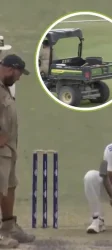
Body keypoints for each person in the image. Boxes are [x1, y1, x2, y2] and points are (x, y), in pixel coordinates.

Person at [0, 54, 33, 248]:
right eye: (19, 73)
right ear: (11, 69)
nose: (19, 78)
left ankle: (8, 226)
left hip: (8, 150)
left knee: (9, 187)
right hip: (1, 148)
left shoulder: (4, 89)